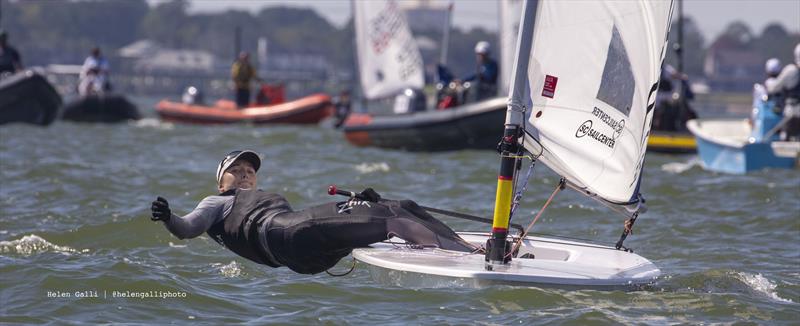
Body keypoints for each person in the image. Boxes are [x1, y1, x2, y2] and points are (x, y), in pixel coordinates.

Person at [150, 150, 475, 275]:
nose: (246, 173)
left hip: (307, 257)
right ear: (221, 183)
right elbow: (186, 229)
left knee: (398, 207)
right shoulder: (216, 203)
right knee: (391, 220)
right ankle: (469, 257)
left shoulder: (256, 197)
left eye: (250, 170)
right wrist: (168, 218)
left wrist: (363, 204)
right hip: (288, 236)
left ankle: (464, 246)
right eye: (236, 170)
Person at [766, 44, 800, 141]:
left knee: (786, 137)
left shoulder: (790, 71)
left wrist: (769, 87)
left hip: (792, 113)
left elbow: (774, 88)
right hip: (793, 113)